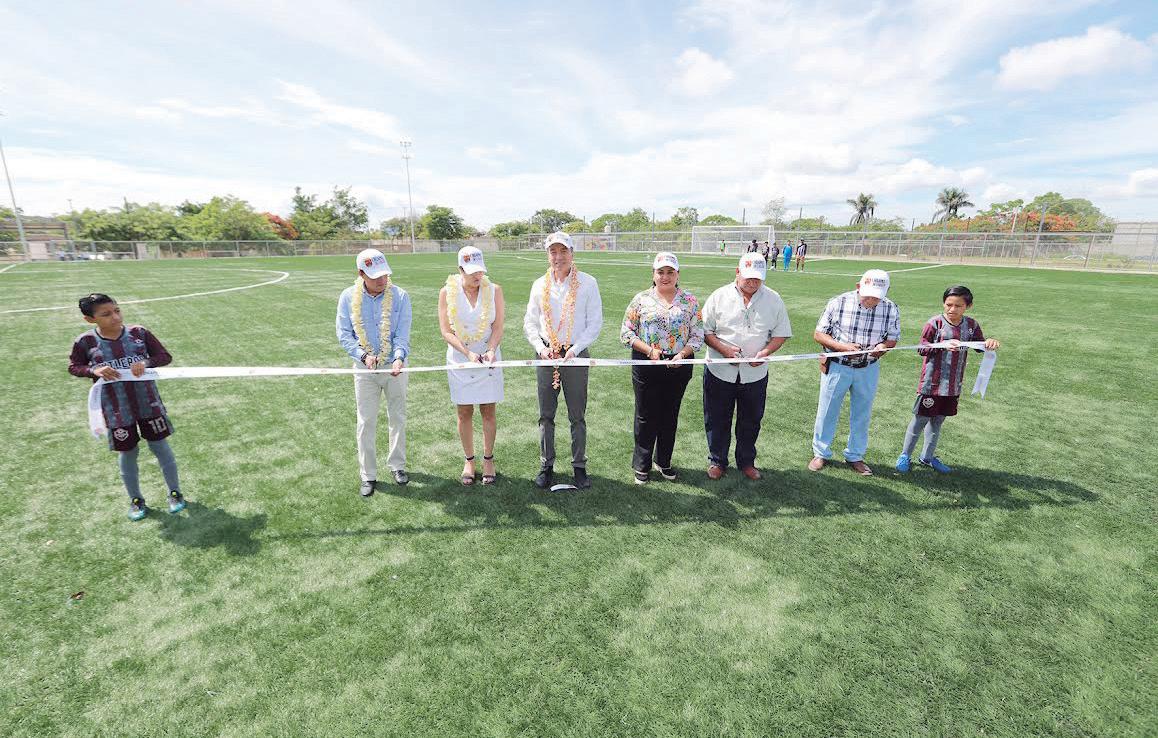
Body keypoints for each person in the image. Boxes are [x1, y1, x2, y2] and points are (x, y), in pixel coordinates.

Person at [69, 293, 185, 520]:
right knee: (128, 452)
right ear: (90, 319)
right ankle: (136, 499)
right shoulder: (85, 342)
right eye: (106, 314)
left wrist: (146, 362)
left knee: (160, 446)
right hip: (116, 408)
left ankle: (175, 492)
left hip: (148, 403)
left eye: (117, 310)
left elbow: (164, 356)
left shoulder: (139, 333)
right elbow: (74, 367)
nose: (115, 317)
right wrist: (93, 370)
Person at [701, 253, 792, 480]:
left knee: (751, 420)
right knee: (717, 418)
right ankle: (717, 461)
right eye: (748, 277)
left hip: (755, 374)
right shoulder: (719, 296)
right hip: (719, 371)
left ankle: (746, 462)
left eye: (757, 278)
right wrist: (724, 350)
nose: (753, 282)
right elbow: (705, 331)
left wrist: (766, 352)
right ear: (737, 272)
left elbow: (780, 334)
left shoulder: (774, 299)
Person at [523, 231, 603, 489]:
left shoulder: (588, 283)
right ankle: (546, 466)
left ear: (572, 253)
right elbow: (530, 322)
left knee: (577, 415)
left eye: (563, 251)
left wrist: (575, 349)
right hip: (546, 356)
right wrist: (540, 348)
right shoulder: (539, 285)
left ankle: (579, 466)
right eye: (553, 252)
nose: (558, 257)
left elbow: (595, 323)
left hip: (575, 356)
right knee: (546, 415)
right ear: (548, 255)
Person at [620, 252, 705, 484]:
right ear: (653, 274)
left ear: (678, 274)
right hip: (647, 362)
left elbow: (698, 334)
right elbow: (626, 332)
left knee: (670, 414)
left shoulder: (689, 301)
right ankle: (642, 464)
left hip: (679, 364)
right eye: (661, 272)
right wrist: (650, 351)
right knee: (645, 414)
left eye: (670, 272)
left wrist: (683, 354)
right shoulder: (641, 299)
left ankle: (663, 461)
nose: (665, 277)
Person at [896, 285, 1000, 474]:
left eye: (958, 306)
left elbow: (980, 346)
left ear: (968, 306)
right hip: (931, 384)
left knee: (938, 421)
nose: (952, 309)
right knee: (920, 420)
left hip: (953, 385)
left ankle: (927, 457)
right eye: (948, 304)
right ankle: (905, 455)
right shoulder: (934, 323)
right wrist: (942, 345)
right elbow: (922, 348)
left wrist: (989, 343)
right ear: (943, 303)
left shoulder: (972, 326)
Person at [809, 269, 900, 476]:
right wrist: (843, 347)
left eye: (877, 297)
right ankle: (821, 453)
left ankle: (855, 455)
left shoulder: (891, 308)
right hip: (837, 365)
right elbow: (819, 334)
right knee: (827, 411)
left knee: (862, 414)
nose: (871, 300)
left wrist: (883, 347)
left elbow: (892, 339)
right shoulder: (838, 302)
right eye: (868, 295)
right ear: (858, 286)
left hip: (868, 368)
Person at [337, 248, 412, 496]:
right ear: (361, 274)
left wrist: (399, 358)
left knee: (397, 417)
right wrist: (363, 356)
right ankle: (368, 475)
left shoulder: (400, 296)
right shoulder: (348, 297)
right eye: (375, 276)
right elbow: (344, 334)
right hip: (364, 370)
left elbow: (402, 332)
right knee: (366, 420)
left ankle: (397, 465)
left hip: (394, 367)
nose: (382, 280)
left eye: (385, 275)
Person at [438, 246, 505, 486]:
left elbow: (498, 326)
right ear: (460, 270)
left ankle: (488, 459)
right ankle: (469, 460)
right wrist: (467, 353)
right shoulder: (446, 292)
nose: (478, 276)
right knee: (464, 412)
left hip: (489, 357)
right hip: (460, 358)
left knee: (488, 410)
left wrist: (490, 350)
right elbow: (446, 331)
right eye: (471, 271)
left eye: (480, 271)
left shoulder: (495, 290)